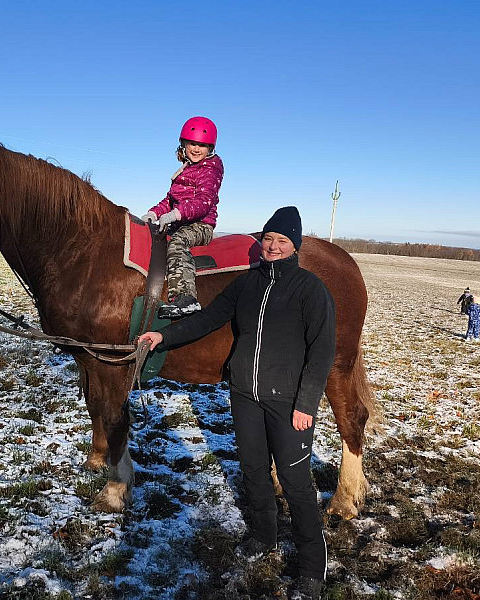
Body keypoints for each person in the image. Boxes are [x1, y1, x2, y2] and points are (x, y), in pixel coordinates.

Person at [138, 206, 333, 600]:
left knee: (295, 484)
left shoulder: (310, 289)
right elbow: (208, 319)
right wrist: (164, 338)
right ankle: (264, 537)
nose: (273, 247)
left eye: (282, 241)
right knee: (254, 471)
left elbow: (322, 352)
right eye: (268, 239)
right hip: (244, 395)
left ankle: (312, 566)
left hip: (288, 403)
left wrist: (306, 404)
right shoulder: (247, 284)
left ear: (293, 245)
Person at [141, 116, 224, 319]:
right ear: (183, 144)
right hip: (179, 221)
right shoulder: (185, 170)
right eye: (192, 143)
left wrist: (176, 214)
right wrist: (154, 213)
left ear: (210, 148)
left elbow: (204, 201)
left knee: (177, 243)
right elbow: (170, 200)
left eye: (202, 145)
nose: (196, 149)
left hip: (200, 224)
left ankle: (186, 298)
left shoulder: (210, 169)